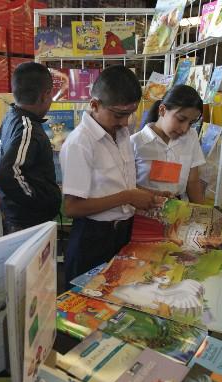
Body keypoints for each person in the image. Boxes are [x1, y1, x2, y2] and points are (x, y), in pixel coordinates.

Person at [60, 65, 164, 281]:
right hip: (93, 239)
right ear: (95, 105)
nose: (125, 122)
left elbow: (119, 183)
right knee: (87, 302)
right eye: (118, 115)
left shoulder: (122, 132)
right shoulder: (80, 143)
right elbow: (72, 207)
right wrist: (128, 197)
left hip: (123, 234)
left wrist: (148, 194)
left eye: (129, 114)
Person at [0, 62, 61, 233]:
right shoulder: (28, 128)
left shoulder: (11, 117)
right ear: (46, 94)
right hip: (29, 222)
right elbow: (5, 173)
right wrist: (37, 199)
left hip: (18, 218)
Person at [131, 84, 205, 202]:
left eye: (191, 123)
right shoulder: (135, 143)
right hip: (144, 209)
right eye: (181, 119)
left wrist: (201, 215)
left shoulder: (191, 137)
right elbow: (128, 187)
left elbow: (193, 182)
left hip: (179, 209)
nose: (185, 128)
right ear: (162, 110)